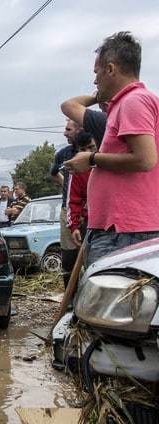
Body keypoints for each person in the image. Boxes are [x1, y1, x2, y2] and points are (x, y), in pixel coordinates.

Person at [64, 32, 159, 267]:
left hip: (127, 231)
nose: (95, 81)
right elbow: (67, 106)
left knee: (113, 302)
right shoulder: (125, 103)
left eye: (96, 72)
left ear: (110, 69)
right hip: (119, 228)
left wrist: (92, 158)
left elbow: (145, 159)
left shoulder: (134, 102)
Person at [51, 120, 82, 287]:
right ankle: (70, 299)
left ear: (81, 130)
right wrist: (67, 186)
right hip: (68, 209)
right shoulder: (63, 154)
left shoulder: (97, 150)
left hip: (91, 211)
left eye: (68, 129)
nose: (64, 133)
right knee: (69, 257)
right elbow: (53, 173)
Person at [68, 132, 97, 248]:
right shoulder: (78, 170)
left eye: (91, 147)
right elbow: (73, 200)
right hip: (91, 224)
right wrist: (74, 227)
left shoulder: (111, 163)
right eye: (83, 150)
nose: (88, 153)